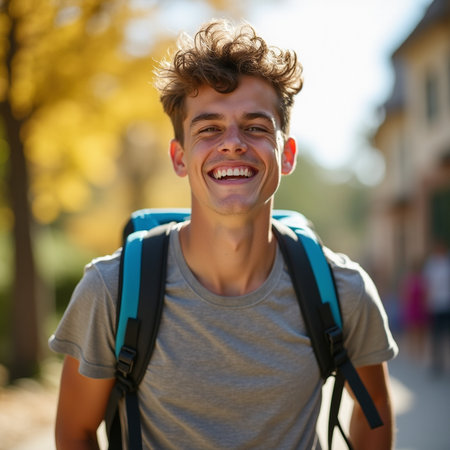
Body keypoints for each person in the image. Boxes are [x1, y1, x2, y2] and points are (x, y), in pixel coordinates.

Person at [49, 19, 398, 449]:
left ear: (286, 155)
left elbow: (374, 408)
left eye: (255, 126)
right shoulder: (111, 290)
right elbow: (75, 430)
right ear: (179, 158)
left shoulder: (341, 291)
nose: (232, 143)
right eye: (209, 128)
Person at [423, 240, 450, 374]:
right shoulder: (432, 264)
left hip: (446, 304)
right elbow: (428, 284)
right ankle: (436, 363)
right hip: (436, 305)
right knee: (436, 336)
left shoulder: (447, 263)